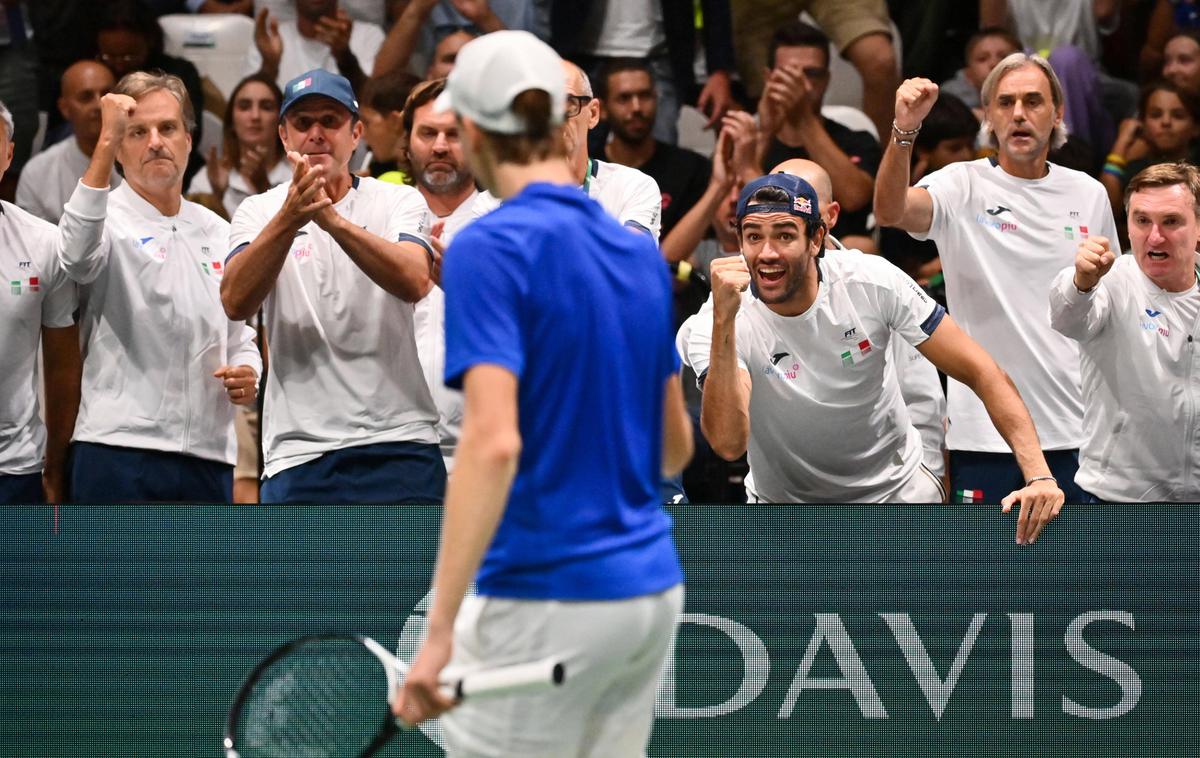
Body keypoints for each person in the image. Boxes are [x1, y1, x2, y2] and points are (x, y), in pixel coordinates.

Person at [394, 32, 692, 755]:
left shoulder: (485, 248)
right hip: (649, 593)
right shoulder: (636, 254)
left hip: (546, 591)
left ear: (472, 127)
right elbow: (674, 449)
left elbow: (493, 442)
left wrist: (437, 638)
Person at [697, 173, 1062, 541]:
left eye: (785, 235)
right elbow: (728, 443)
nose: (768, 253)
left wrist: (1039, 475)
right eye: (754, 236)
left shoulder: (872, 282)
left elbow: (982, 371)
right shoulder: (721, 315)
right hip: (782, 510)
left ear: (817, 239)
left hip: (894, 497)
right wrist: (723, 322)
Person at [874, 53, 1119, 504]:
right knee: (987, 575)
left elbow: (1109, 311)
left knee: (1079, 576)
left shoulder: (1089, 193)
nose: (1019, 114)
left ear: (1057, 113)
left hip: (1081, 429)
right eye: (1005, 103)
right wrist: (904, 129)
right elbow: (889, 211)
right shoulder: (959, 184)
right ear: (987, 116)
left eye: (1033, 101)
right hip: (983, 435)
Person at [223, 69, 442, 503]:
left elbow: (415, 279)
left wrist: (331, 220)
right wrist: (290, 217)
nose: (316, 133)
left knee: (413, 575)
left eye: (330, 120)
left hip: (400, 440)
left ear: (356, 132)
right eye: (303, 123)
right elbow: (234, 299)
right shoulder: (256, 211)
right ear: (284, 136)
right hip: (299, 451)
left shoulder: (397, 199)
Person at [57, 72, 261, 502]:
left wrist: (249, 370)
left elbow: (241, 333)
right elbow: (74, 257)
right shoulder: (101, 217)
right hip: (118, 447)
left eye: (167, 128)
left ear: (189, 139)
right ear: (117, 148)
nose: (155, 142)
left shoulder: (221, 231)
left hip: (209, 454)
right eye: (136, 132)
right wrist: (104, 141)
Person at [1050, 162, 1200, 502]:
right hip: (1118, 502)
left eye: (1171, 221)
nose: (1155, 236)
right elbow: (1067, 318)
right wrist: (1082, 283)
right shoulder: (1111, 281)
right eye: (1142, 220)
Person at [470, 59, 663, 241]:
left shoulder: (633, 187)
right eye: (542, 107)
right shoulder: (491, 204)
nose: (554, 118)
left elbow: (632, 261)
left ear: (593, 114)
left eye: (567, 103)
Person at [0, 99, 80, 504]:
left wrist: (56, 462)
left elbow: (63, 364)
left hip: (16, 467)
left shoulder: (43, 241)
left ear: (9, 154)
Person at [403, 77, 479, 473]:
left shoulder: (508, 219)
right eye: (427, 133)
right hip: (394, 448)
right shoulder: (376, 218)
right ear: (408, 141)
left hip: (484, 448)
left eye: (454, 134)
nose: (439, 146)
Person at [757, 20, 881, 252]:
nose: (801, 85)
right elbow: (736, 207)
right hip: (765, 250)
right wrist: (764, 134)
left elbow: (855, 198)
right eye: (788, 75)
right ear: (768, 79)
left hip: (836, 253)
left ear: (826, 79)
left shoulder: (857, 139)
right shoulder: (752, 140)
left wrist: (803, 118)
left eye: (811, 74)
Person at [598, 58, 711, 248]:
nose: (636, 107)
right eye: (624, 98)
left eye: (645, 96)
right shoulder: (588, 168)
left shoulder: (691, 169)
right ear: (601, 109)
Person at [16, 61, 121, 223]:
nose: (99, 104)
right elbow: (33, 245)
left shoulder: (146, 155)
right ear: (65, 108)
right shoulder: (37, 173)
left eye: (107, 95)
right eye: (86, 97)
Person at [1101, 80, 1200, 244]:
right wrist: (1121, 145)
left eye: (1178, 115)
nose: (1166, 122)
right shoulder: (1136, 169)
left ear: (1196, 127)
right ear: (1143, 124)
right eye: (1155, 115)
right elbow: (1108, 210)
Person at [187, 74, 290, 221]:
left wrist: (264, 189)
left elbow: (301, 239)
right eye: (244, 106)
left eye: (266, 107)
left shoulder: (297, 177)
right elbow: (195, 237)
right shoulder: (207, 178)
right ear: (231, 122)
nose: (255, 116)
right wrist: (217, 197)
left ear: (281, 121)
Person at [248, 1, 386, 93]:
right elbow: (250, 110)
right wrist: (269, 66)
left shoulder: (369, 36)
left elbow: (372, 105)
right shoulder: (271, 40)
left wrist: (345, 57)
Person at [939, 26, 1022, 118]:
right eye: (982, 59)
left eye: (1003, 57)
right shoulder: (951, 103)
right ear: (968, 73)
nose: (993, 63)